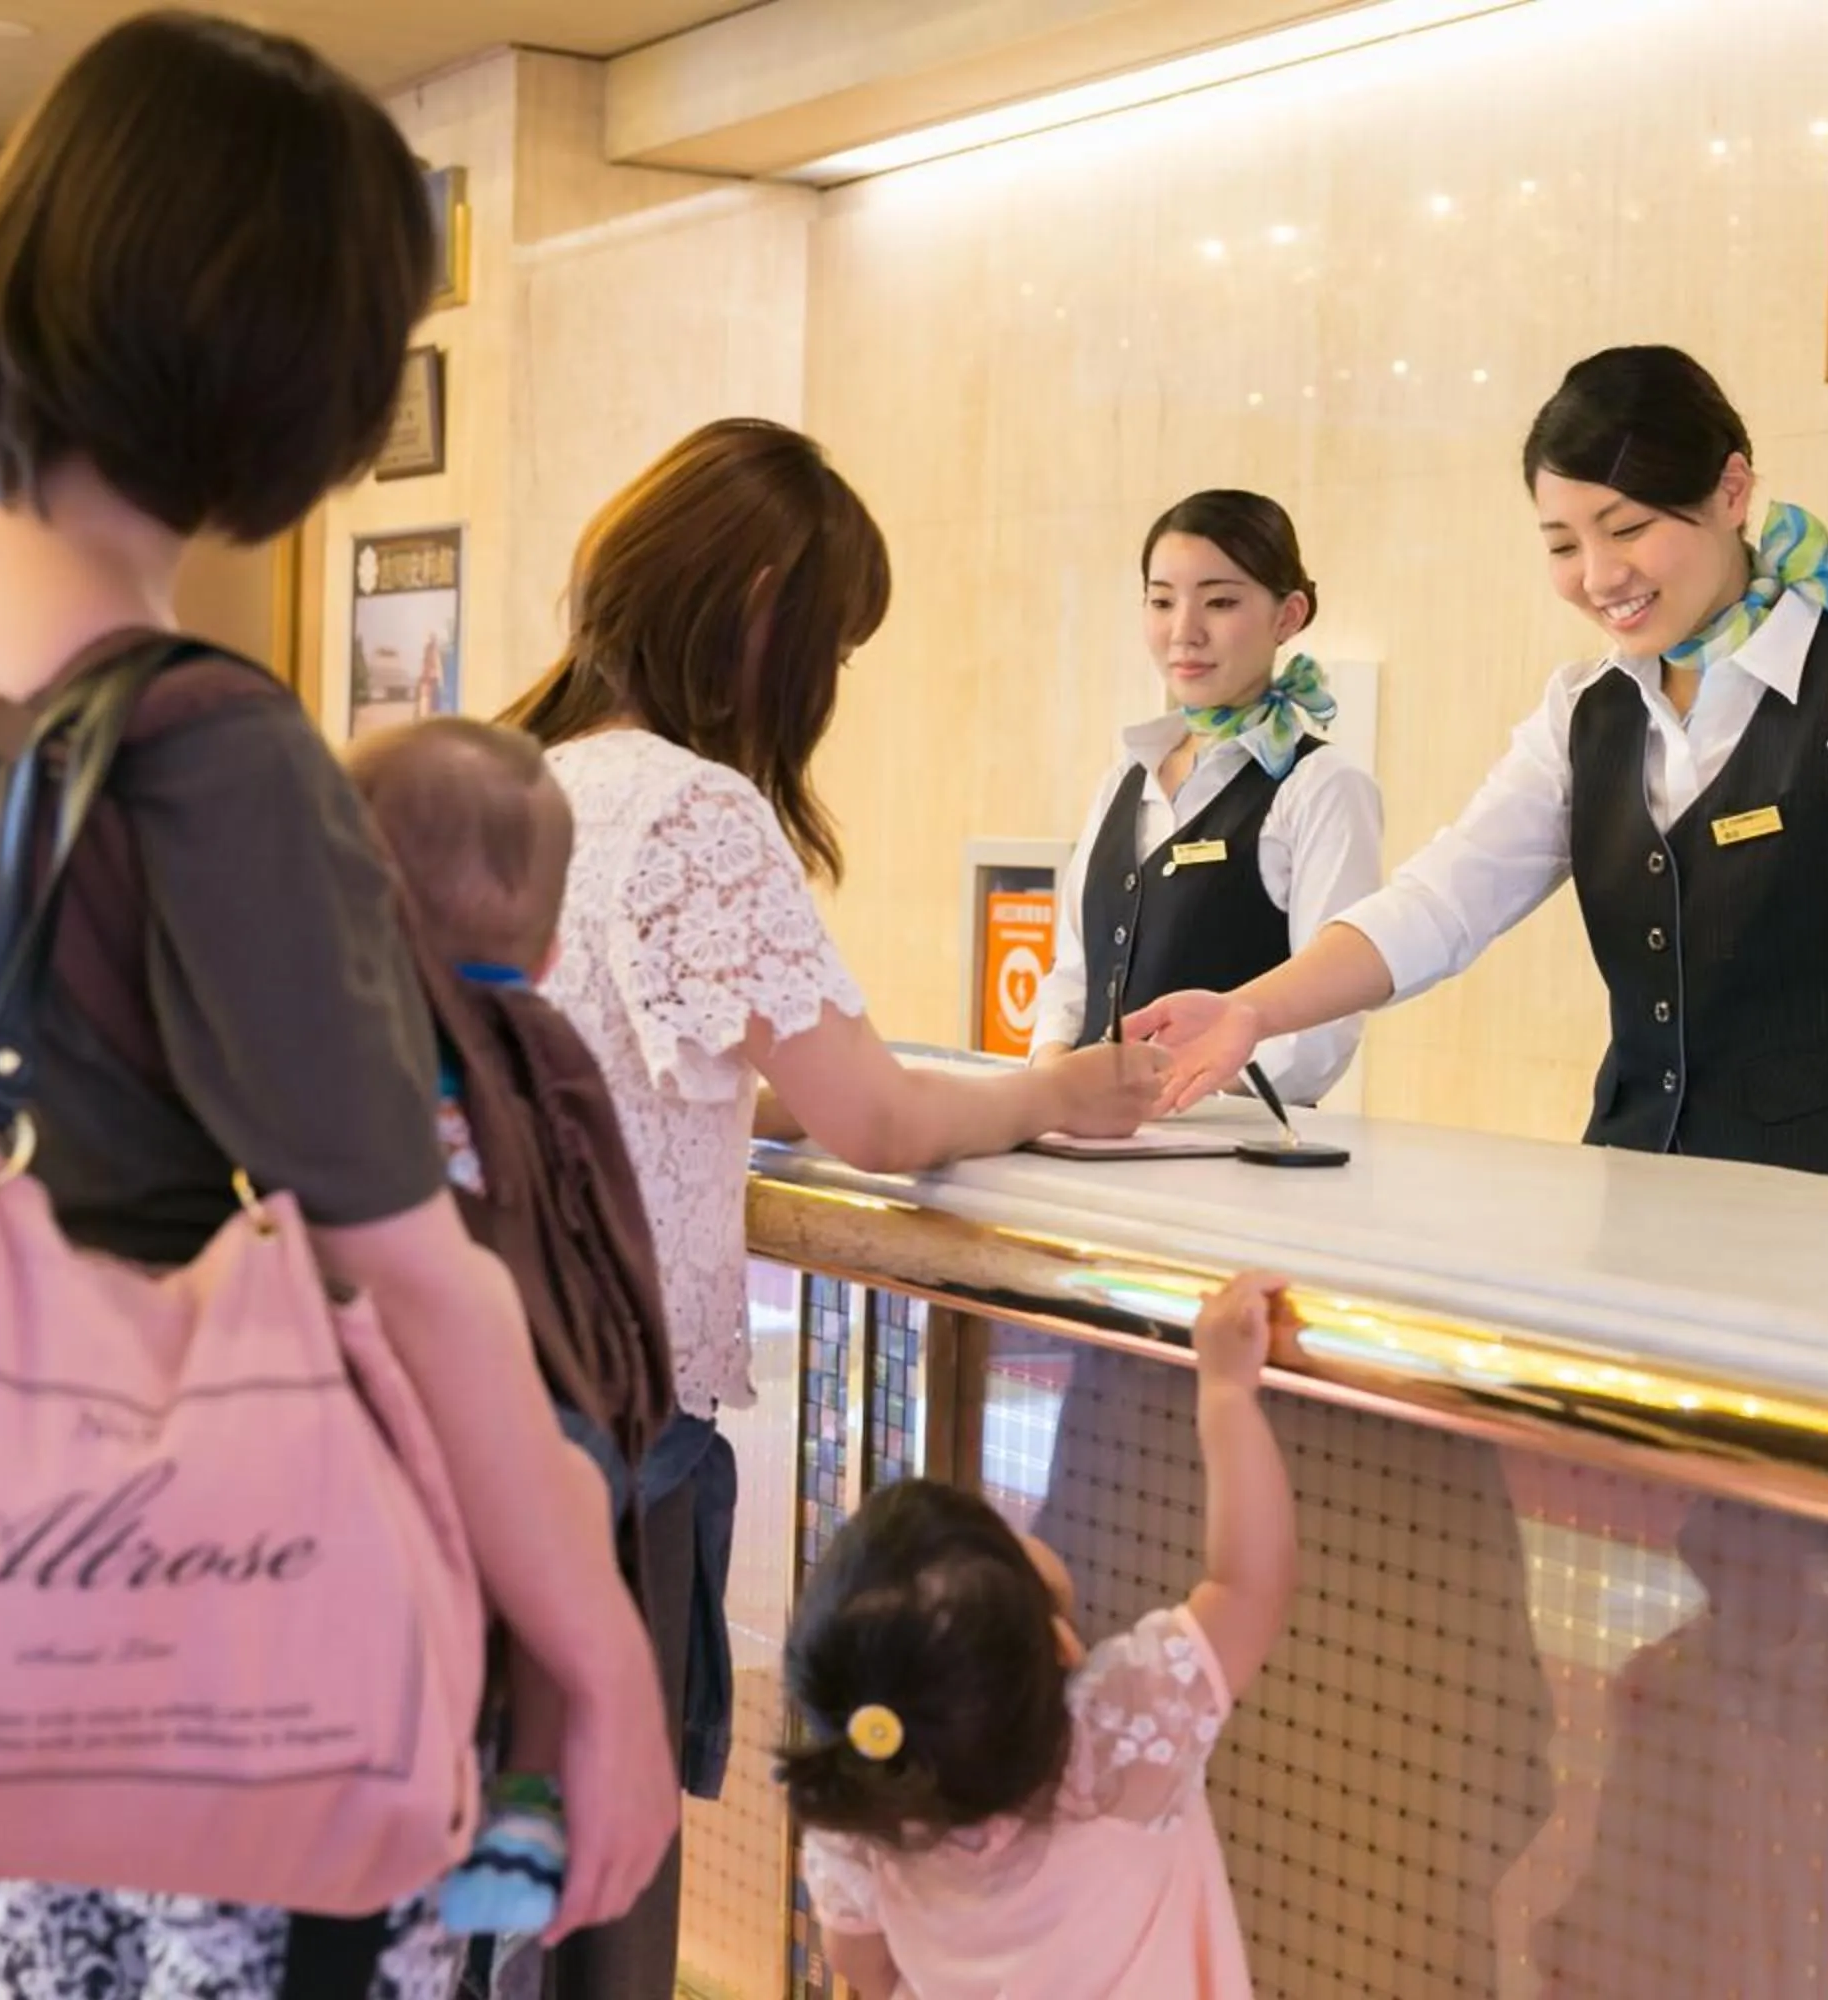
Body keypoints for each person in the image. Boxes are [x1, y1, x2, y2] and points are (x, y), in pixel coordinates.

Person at [0, 16, 670, 1995]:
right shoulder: (203, 741)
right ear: (284, 352)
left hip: (17, 1594)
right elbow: (413, 1273)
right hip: (255, 1611)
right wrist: (603, 1655)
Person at [500, 416, 1170, 1990]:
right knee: (600, 1887)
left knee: (506, 1867)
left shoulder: (530, 781)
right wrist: (1048, 1091)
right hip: (613, 1415)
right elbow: (873, 1118)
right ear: (758, 609)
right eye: (833, 647)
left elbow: (705, 1062)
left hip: (487, 1395)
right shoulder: (694, 812)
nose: (828, 687)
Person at [1133, 346, 1828, 1191]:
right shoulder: (1585, 707)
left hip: (1820, 1214)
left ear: (1732, 491)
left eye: (1628, 528)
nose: (1598, 576)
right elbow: (1443, 900)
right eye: (1562, 544)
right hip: (1626, 1194)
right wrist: (1255, 1010)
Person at [343, 718, 674, 1950]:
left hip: (368, 1423)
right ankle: (526, 1798)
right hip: (528, 1420)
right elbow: (600, 1250)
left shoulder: (327, 1037)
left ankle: (518, 1796)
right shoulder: (545, 1050)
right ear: (546, 940)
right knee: (571, 1512)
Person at [782, 1271, 1303, 2000]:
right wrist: (1224, 1394)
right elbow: (1250, 1585)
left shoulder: (865, 1805)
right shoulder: (1120, 1738)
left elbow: (863, 1965)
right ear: (1061, 1647)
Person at [1029, 491, 1384, 1105]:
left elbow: (1327, 1023)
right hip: (1088, 1142)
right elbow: (1074, 973)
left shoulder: (1321, 786)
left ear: (1288, 615)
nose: (1184, 631)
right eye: (1162, 601)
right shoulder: (1124, 780)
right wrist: (1051, 1074)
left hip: (1229, 1160)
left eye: (1220, 602)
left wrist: (1183, 1097)